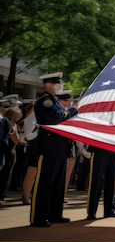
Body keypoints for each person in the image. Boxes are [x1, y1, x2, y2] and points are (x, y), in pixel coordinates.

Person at [30, 72, 79, 227]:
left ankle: (55, 214)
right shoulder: (45, 101)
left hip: (60, 147)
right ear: (48, 85)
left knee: (58, 183)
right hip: (48, 147)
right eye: (58, 84)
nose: (61, 86)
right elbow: (57, 117)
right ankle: (39, 217)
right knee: (45, 183)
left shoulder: (55, 101)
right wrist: (72, 111)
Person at [86, 145, 115, 220]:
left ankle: (109, 209)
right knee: (96, 180)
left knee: (111, 181)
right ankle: (92, 211)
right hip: (100, 149)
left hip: (114, 149)